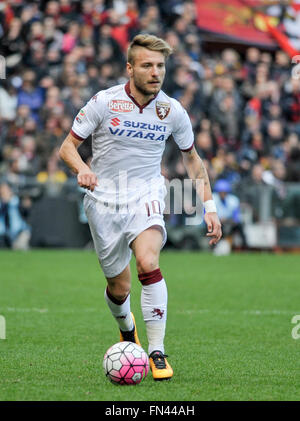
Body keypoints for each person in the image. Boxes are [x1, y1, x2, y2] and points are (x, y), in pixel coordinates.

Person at [59, 34, 222, 381]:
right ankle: (127, 329)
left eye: (161, 65)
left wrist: (209, 206)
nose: (156, 72)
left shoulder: (172, 110)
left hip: (147, 194)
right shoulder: (104, 102)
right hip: (103, 201)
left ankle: (157, 351)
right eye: (147, 65)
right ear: (130, 68)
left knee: (149, 261)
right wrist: (83, 169)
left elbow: (192, 159)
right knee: (120, 289)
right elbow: (67, 148)